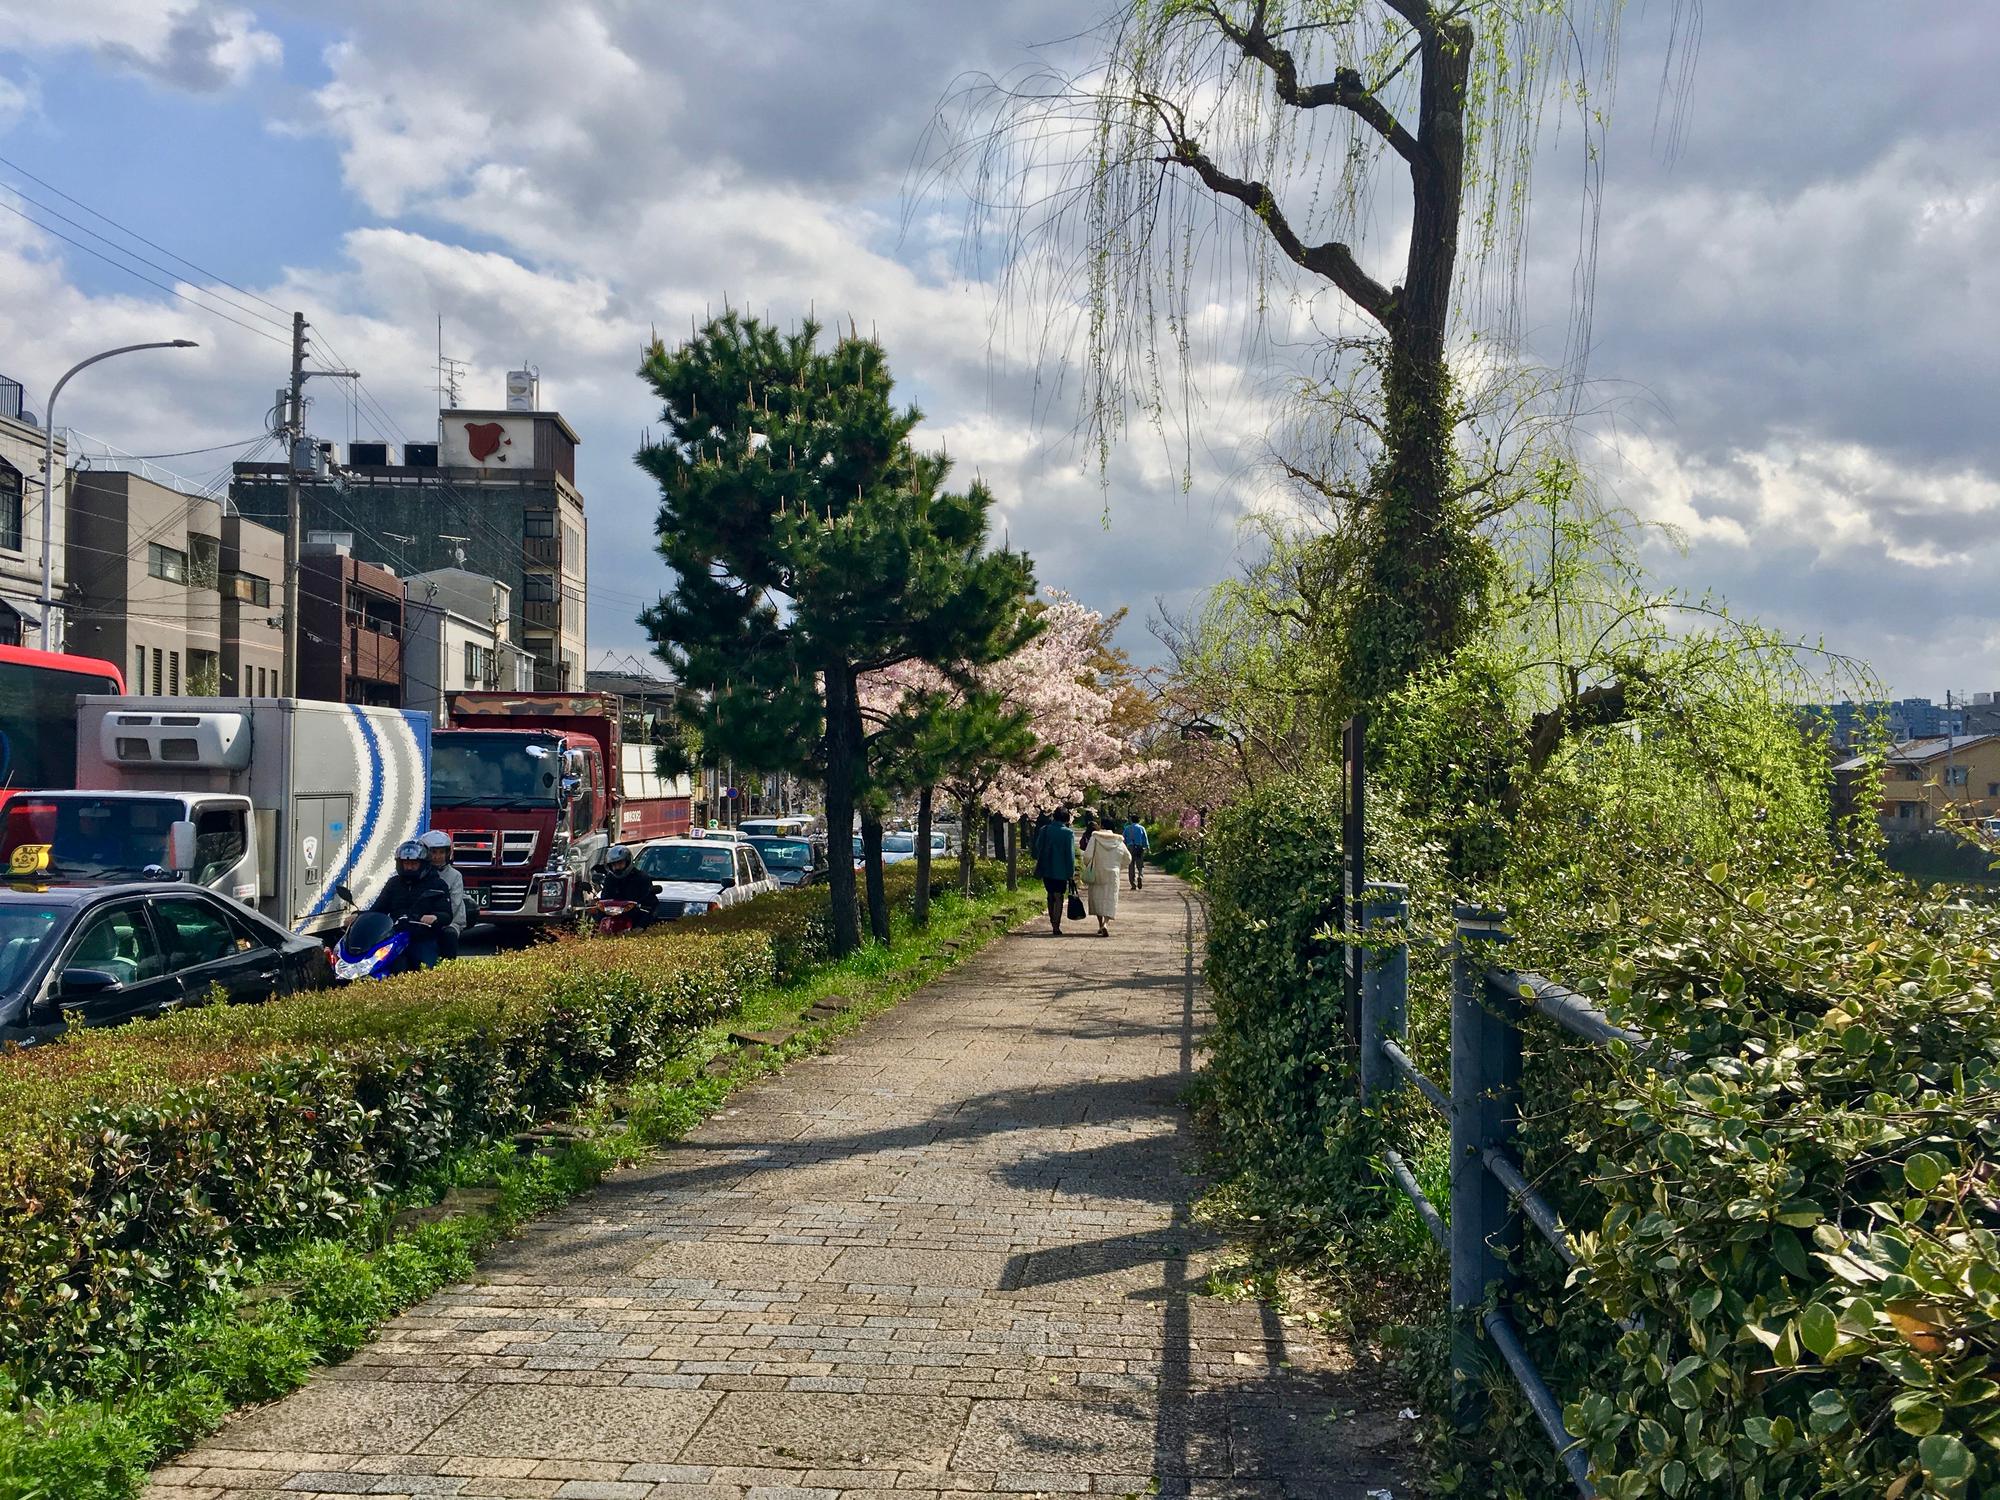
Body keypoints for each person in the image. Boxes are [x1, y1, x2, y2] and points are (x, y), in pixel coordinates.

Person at [368, 839, 453, 970]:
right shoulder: (394, 883)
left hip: (423, 937)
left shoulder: (437, 884)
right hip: (395, 935)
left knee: (425, 971)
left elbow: (447, 914)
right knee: (375, 966)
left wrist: (435, 917)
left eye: (413, 864)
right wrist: (358, 916)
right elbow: (378, 908)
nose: (409, 867)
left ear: (423, 864)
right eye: (406, 863)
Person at [1077, 811, 1130, 937]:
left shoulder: (1095, 838)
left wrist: (1089, 864)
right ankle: (1106, 923)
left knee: (1097, 898)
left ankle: (1100, 924)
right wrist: (1118, 866)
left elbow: (1087, 856)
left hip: (1097, 871)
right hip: (1113, 873)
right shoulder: (1119, 841)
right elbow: (1128, 858)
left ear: (1102, 826)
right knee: (1110, 899)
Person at [419, 829, 467, 959]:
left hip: (449, 922)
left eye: (441, 852)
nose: (437, 856)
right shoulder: (418, 873)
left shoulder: (455, 876)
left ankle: (447, 970)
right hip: (420, 921)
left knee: (449, 935)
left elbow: (455, 906)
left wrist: (437, 918)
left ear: (448, 853)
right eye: (433, 852)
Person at [1030, 807, 1077, 936]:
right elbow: (1070, 856)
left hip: (1046, 868)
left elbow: (1038, 846)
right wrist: (1071, 873)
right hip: (1061, 870)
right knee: (1059, 896)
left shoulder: (1044, 830)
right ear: (1066, 819)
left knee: (1050, 894)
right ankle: (1056, 924)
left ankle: (1052, 920)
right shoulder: (1068, 833)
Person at [596, 844, 660, 928]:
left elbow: (651, 905)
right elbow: (605, 898)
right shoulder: (610, 878)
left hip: (635, 921)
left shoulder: (641, 878)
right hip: (612, 919)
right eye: (614, 865)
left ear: (628, 861)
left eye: (620, 863)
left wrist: (640, 927)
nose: (617, 867)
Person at [1122, 814, 1150, 890]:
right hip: (1139, 847)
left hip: (1130, 848)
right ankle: (1140, 876)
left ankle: (1133, 884)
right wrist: (1147, 848)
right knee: (1140, 865)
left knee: (1131, 866)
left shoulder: (1127, 828)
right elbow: (1145, 839)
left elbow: (1123, 839)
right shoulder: (1141, 828)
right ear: (1139, 820)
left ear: (1131, 820)